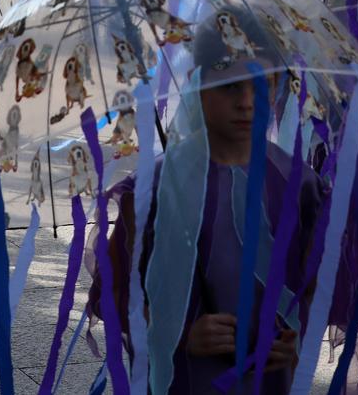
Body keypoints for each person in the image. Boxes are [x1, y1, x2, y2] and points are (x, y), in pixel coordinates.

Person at [90, 22, 323, 395]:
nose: (247, 102)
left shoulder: (300, 186)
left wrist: (297, 333)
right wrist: (176, 331)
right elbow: (117, 286)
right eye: (229, 86)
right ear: (200, 86)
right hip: (186, 378)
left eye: (262, 86)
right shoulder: (156, 187)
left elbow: (319, 280)